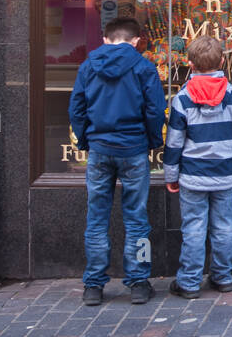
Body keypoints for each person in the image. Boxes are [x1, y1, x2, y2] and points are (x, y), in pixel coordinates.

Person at [68, 17, 166, 305]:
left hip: (99, 149)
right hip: (133, 149)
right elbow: (155, 110)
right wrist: (151, 140)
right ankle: (138, 281)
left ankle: (94, 285)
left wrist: (86, 140)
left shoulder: (88, 66)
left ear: (105, 39)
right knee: (137, 218)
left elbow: (77, 108)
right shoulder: (144, 68)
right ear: (136, 41)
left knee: (96, 218)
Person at [163, 34, 232, 299]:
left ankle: (189, 282)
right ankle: (222, 276)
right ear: (223, 61)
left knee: (193, 228)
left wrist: (171, 175)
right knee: (224, 227)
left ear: (190, 64)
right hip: (224, 174)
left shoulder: (182, 98)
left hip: (192, 176)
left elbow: (174, 143)